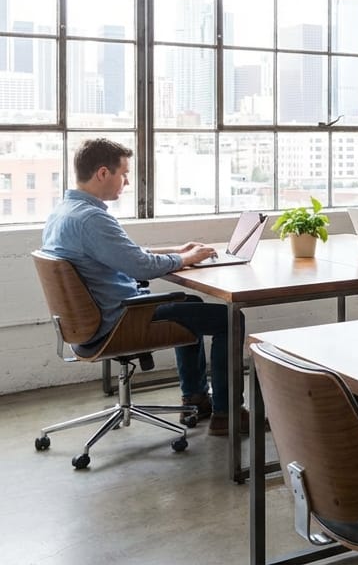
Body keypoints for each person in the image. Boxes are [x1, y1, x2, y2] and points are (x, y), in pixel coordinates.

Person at [40, 138, 246, 436]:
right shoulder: (92, 219)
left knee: (191, 304)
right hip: (121, 321)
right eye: (123, 173)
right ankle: (227, 415)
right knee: (231, 319)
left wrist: (175, 250)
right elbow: (140, 267)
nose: (126, 181)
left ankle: (196, 398)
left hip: (89, 325)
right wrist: (186, 257)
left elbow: (125, 253)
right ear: (102, 173)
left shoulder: (63, 212)